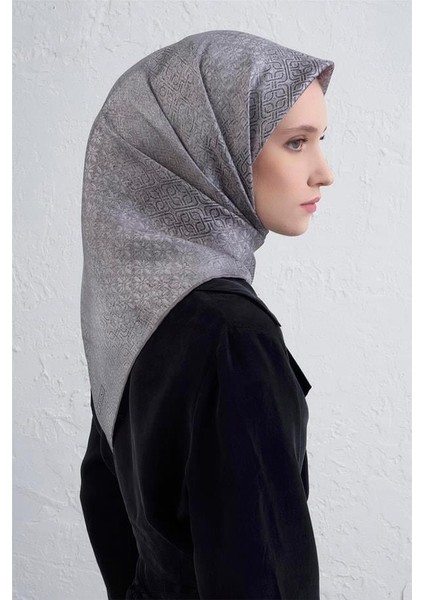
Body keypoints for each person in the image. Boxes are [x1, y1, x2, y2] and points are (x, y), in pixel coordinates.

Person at [79, 30, 335, 600]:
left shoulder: (128, 311)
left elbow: (102, 497)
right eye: (296, 143)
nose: (324, 172)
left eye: (321, 139)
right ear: (208, 148)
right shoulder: (232, 337)